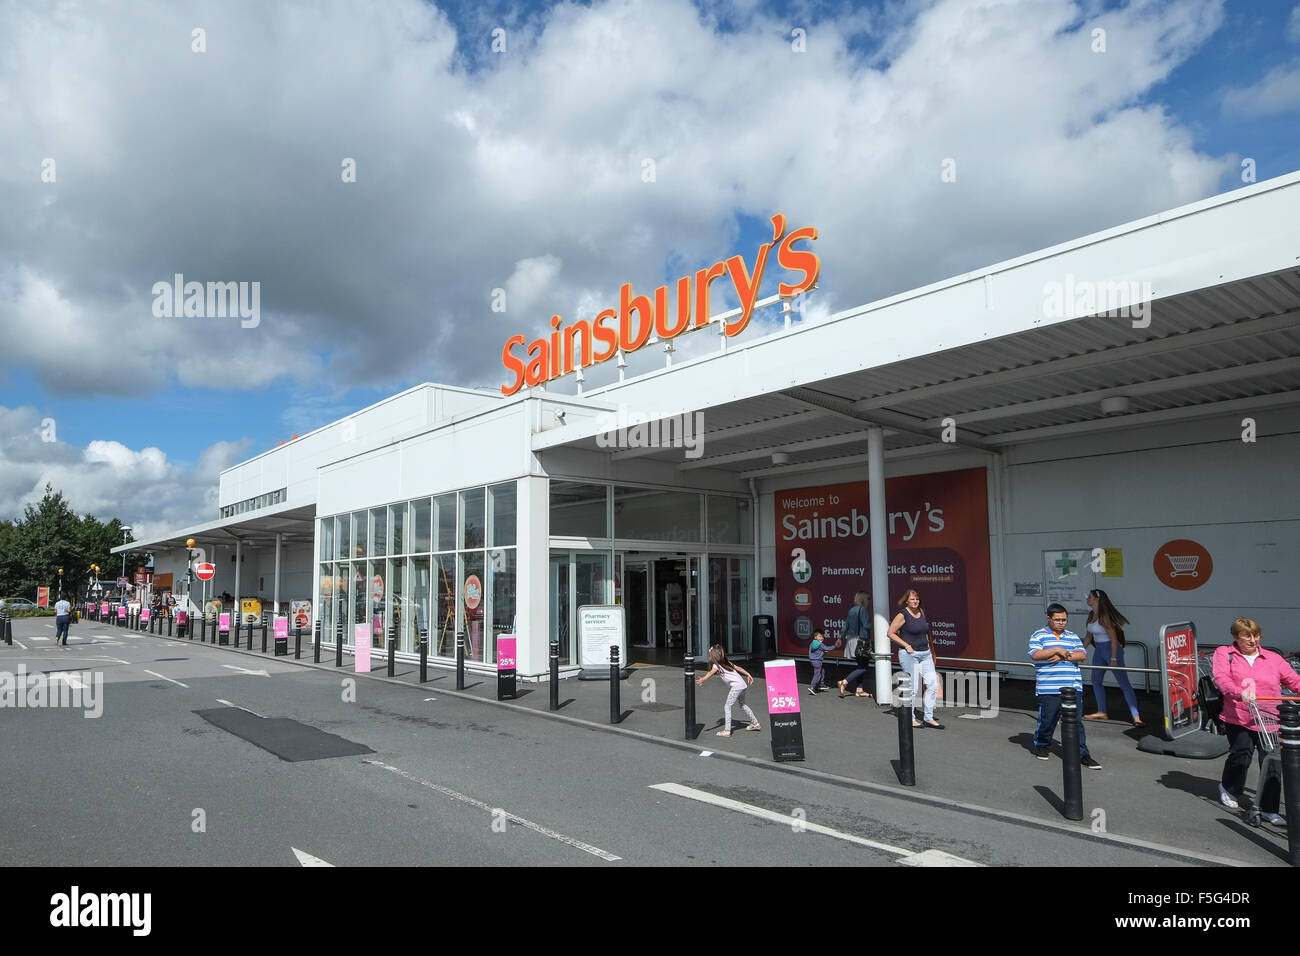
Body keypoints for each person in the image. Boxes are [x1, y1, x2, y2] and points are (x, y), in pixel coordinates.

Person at [1212, 618, 1300, 823]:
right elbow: (1221, 678)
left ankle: (1269, 809)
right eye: (1247, 636)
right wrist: (1238, 692)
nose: (1253, 640)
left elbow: (1293, 680)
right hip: (1239, 715)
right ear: (1236, 637)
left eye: (1256, 635)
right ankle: (1229, 788)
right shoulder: (1225, 654)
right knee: (1240, 756)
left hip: (1268, 717)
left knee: (1271, 761)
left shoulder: (1272, 658)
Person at [1030, 603, 1101, 768]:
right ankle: (1042, 744)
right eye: (1058, 620)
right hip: (1048, 688)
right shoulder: (1038, 635)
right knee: (1048, 720)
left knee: (1076, 723)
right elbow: (1035, 654)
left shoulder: (1072, 636)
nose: (1062, 623)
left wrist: (1063, 656)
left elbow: (1082, 654)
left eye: (1064, 620)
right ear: (1049, 619)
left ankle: (1082, 754)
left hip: (1072, 687)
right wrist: (1057, 648)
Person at [1082, 589, 1142, 725]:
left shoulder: (1105, 617)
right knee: (1096, 681)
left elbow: (1114, 640)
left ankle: (1136, 716)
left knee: (1123, 683)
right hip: (1099, 650)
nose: (1088, 598)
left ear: (1097, 599)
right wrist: (1078, 651)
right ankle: (1102, 711)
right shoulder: (1092, 615)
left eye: (1090, 596)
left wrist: (1113, 659)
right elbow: (1088, 636)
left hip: (1111, 650)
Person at [888, 590, 943, 729]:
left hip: (925, 654)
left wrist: (930, 650)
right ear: (907, 601)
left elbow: (925, 633)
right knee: (913, 688)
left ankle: (928, 718)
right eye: (912, 599)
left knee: (932, 685)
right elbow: (890, 633)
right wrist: (906, 645)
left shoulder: (921, 612)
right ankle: (910, 718)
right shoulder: (903, 614)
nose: (915, 601)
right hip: (909, 655)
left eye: (917, 599)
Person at [696, 644, 760, 737]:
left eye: (710, 655)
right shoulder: (727, 663)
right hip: (742, 685)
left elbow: (710, 673)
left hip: (736, 687)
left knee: (727, 706)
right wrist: (748, 674)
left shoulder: (716, 665)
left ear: (713, 656)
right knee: (742, 705)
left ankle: (727, 730)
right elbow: (738, 668)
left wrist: (702, 679)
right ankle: (755, 723)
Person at [838, 591, 873, 698]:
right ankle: (844, 681)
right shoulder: (863, 610)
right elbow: (867, 625)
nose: (869, 601)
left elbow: (845, 626)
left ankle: (859, 689)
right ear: (863, 599)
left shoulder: (851, 610)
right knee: (864, 667)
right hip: (861, 641)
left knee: (860, 665)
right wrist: (877, 623)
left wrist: (840, 638)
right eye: (868, 599)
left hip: (851, 640)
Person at [807, 628, 840, 694]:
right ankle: (812, 687)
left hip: (812, 661)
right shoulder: (820, 644)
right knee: (817, 674)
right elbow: (828, 648)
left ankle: (821, 685)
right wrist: (835, 646)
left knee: (822, 671)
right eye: (819, 636)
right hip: (817, 661)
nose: (821, 638)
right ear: (815, 637)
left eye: (822, 637)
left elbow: (816, 650)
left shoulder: (812, 643)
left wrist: (822, 651)